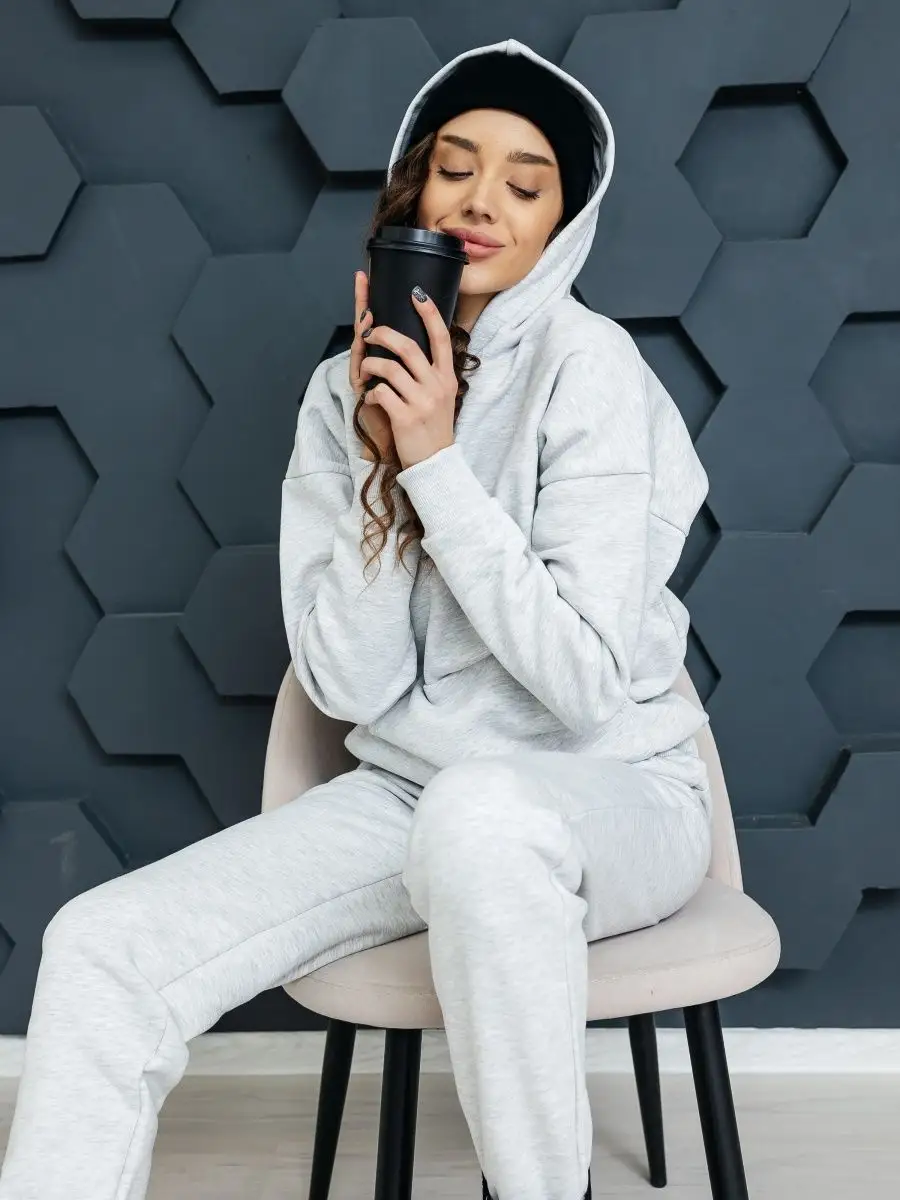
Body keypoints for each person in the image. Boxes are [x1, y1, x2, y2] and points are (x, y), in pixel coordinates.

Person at [0, 37, 713, 1200]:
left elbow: (586, 684)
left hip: (614, 791)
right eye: (455, 170)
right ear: (412, 196)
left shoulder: (593, 372)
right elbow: (350, 686)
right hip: (410, 796)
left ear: (562, 226)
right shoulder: (343, 392)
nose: (481, 203)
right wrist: (384, 458)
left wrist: (438, 465)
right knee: (101, 944)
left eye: (525, 185)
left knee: (484, 815)